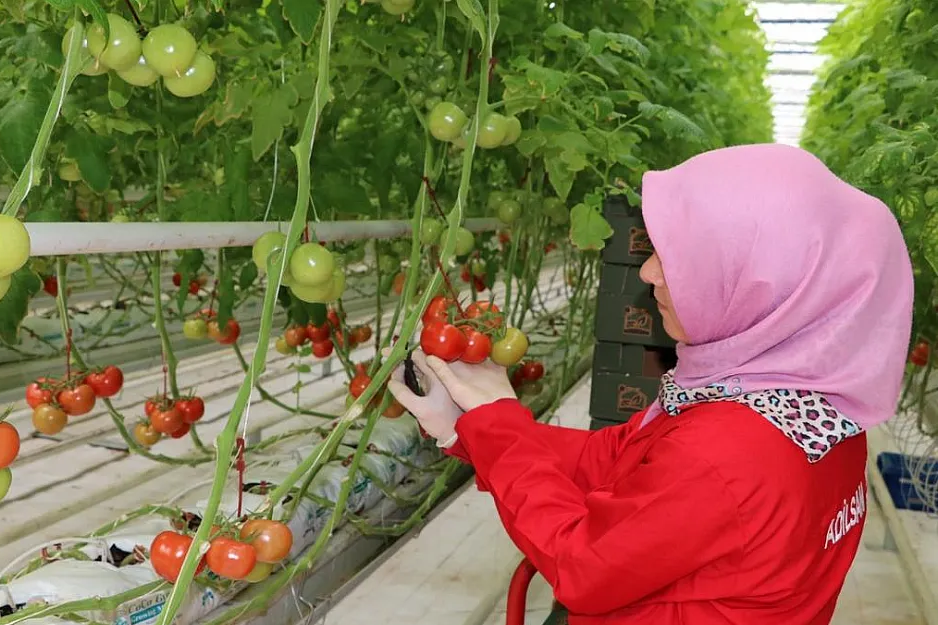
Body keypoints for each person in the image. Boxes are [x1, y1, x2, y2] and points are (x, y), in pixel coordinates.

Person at [388, 143, 914, 625]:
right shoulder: (808, 409)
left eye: (677, 258)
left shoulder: (730, 451)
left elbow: (582, 565)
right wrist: (468, 430)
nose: (647, 273)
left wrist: (499, 421)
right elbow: (615, 458)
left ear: (757, 283)